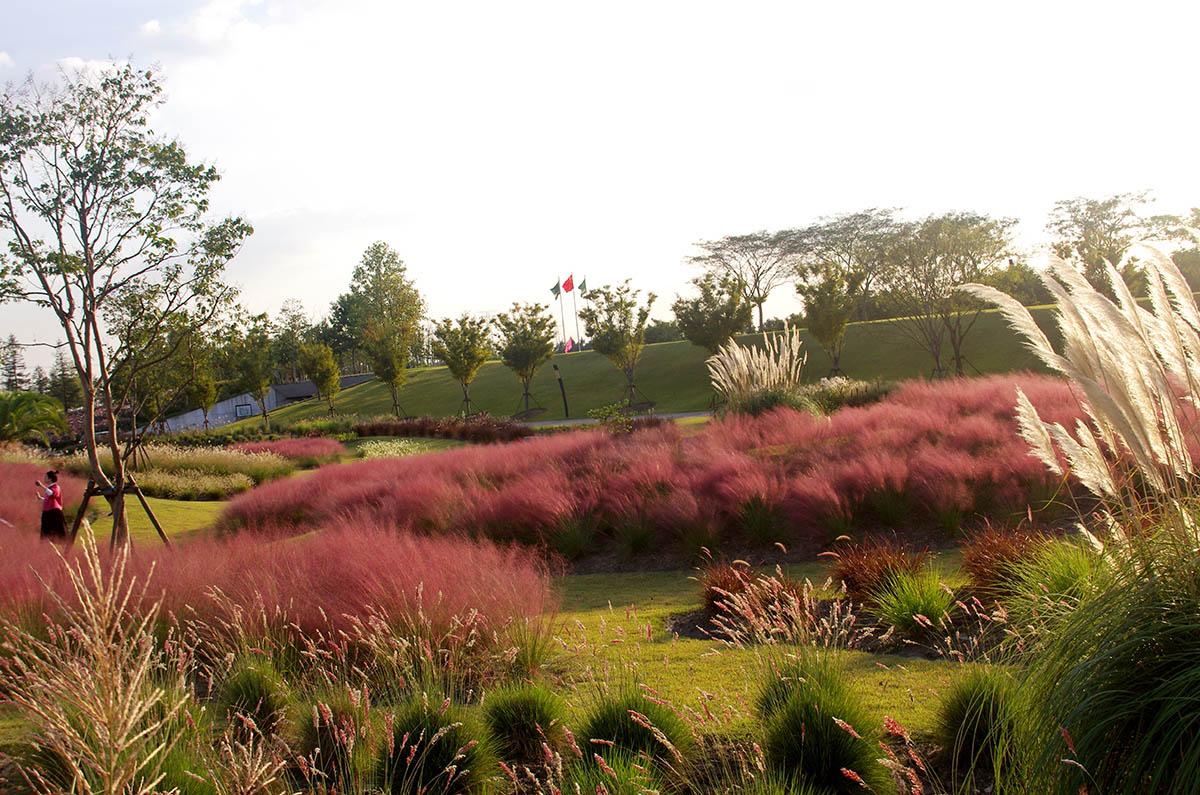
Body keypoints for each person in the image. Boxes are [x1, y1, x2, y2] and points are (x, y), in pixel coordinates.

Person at [35, 470, 66, 541]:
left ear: (50, 479)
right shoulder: (49, 489)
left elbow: (52, 494)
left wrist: (41, 485)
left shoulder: (56, 487)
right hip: (47, 512)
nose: (44, 478)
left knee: (57, 531)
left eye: (46, 477)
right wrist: (40, 498)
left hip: (54, 512)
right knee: (46, 532)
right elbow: (48, 500)